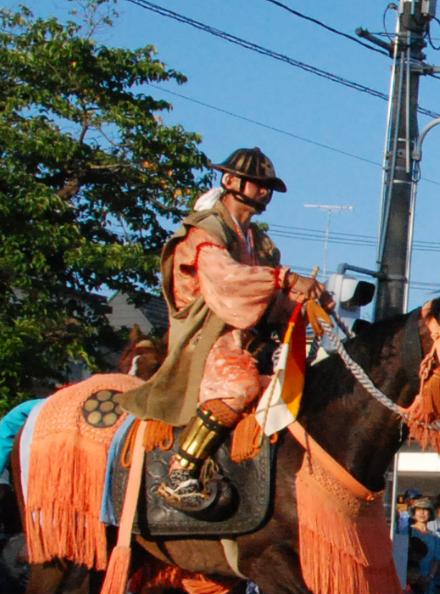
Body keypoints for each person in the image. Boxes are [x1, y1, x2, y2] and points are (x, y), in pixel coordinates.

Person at [120, 149, 328, 515]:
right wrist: (286, 279)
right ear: (230, 182)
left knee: (293, 389)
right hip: (207, 337)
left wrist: (303, 301)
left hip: (247, 338)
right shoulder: (205, 230)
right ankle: (181, 470)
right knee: (239, 386)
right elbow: (228, 280)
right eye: (259, 184)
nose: (264, 192)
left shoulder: (258, 241)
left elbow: (270, 299)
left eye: (268, 187)